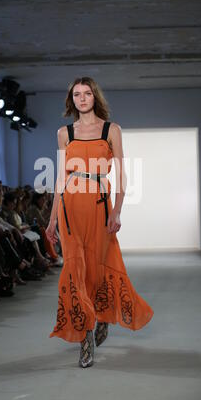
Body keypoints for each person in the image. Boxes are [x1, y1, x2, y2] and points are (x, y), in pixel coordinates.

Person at [46, 76, 154, 368]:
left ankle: (103, 314)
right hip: (70, 206)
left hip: (99, 205)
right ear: (72, 99)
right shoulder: (64, 133)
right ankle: (85, 337)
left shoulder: (111, 130)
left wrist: (117, 211)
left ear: (95, 97)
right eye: (77, 94)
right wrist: (52, 218)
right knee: (74, 271)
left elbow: (121, 174)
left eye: (87, 93)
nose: (82, 98)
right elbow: (59, 178)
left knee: (97, 267)